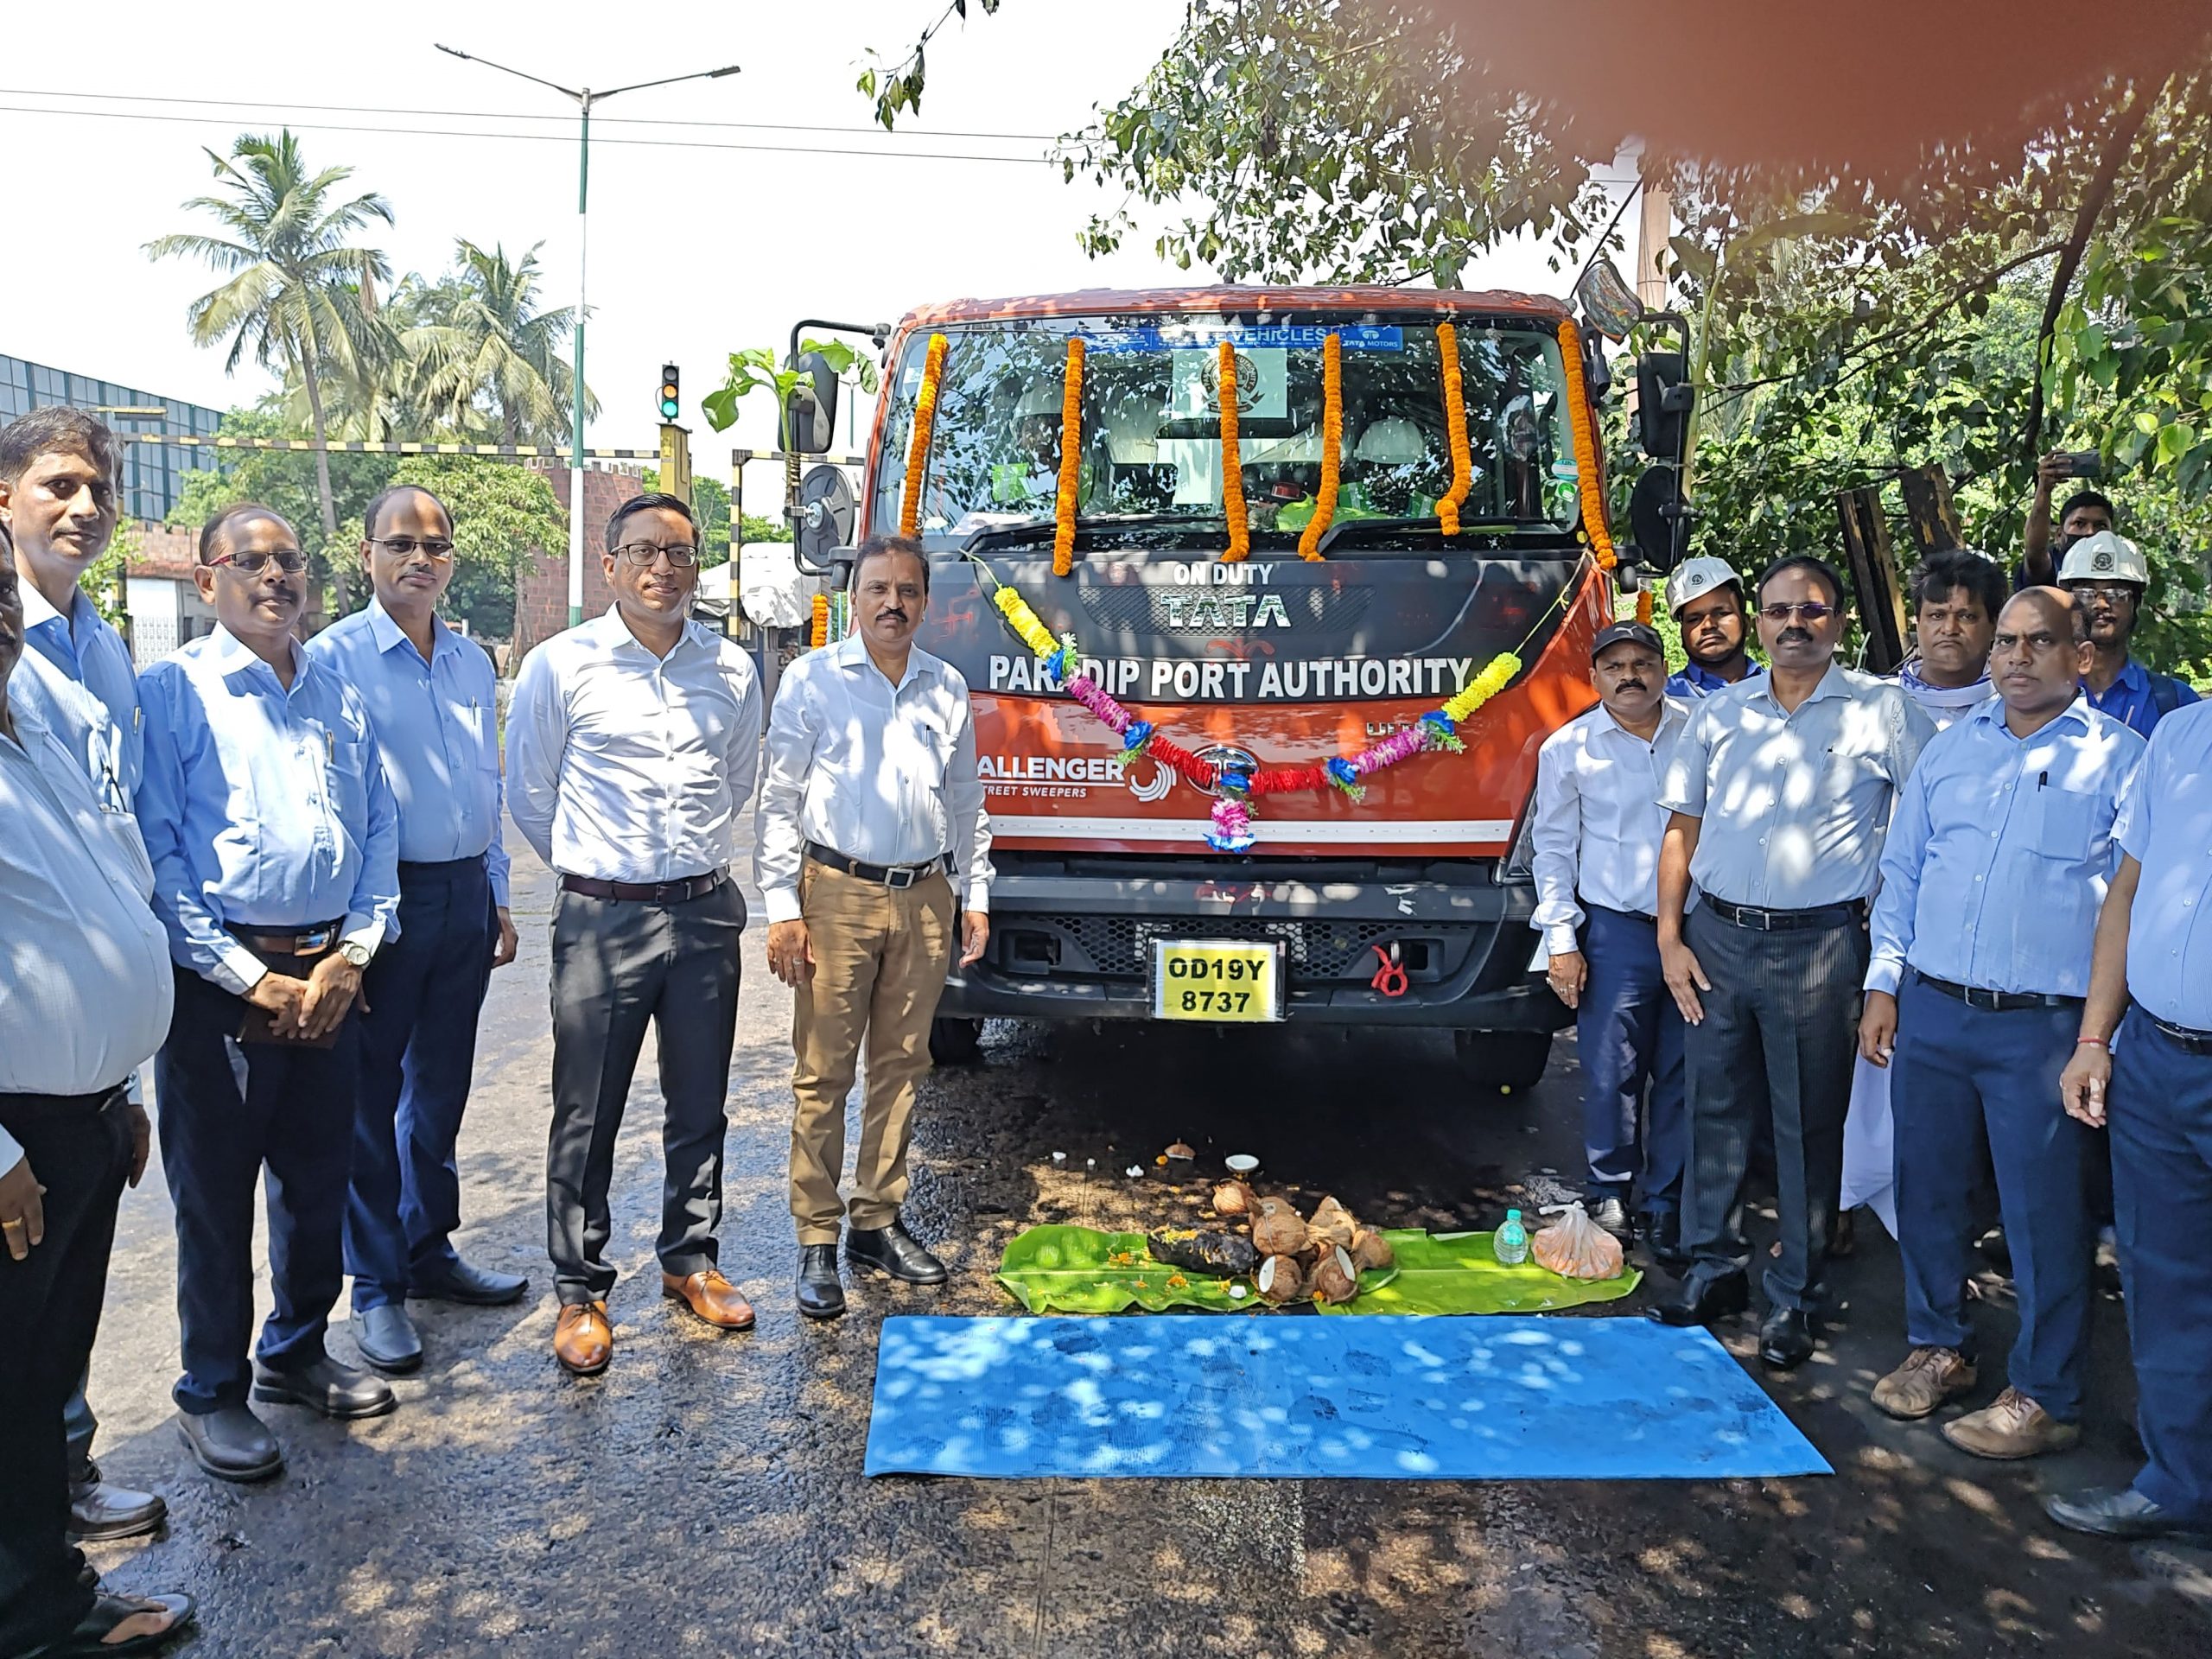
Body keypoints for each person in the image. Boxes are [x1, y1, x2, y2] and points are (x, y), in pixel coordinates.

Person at [136, 504, 403, 1483]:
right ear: (207, 582)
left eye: (289, 560)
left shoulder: (334, 688)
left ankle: (295, 1351)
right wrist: (250, 978)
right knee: (214, 1199)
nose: (275, 576)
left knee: (315, 1180)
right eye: (250, 561)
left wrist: (355, 954)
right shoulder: (172, 692)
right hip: (224, 988)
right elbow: (159, 856)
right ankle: (212, 1388)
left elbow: (378, 833)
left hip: (332, 976)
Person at [1859, 588, 2141, 1458]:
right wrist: (1883, 985)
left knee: (2043, 1215)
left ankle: (2046, 1395)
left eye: (2039, 642)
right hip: (1937, 1011)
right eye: (2007, 642)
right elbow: (1901, 874)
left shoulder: (2123, 759)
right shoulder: (1950, 754)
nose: (2017, 657)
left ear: (2079, 657)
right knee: (1928, 1191)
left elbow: (2127, 908)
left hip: (2043, 1029)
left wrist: (2097, 1038)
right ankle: (1937, 1347)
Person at [1649, 554, 1935, 1369]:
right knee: (1714, 1109)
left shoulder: (1886, 713)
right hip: (1717, 940)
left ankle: (1796, 1299)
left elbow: (1920, 839)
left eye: (1812, 610)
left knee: (1806, 1125)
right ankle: (1714, 1269)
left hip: (1823, 946)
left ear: (1838, 622)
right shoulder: (1717, 716)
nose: (1794, 624)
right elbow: (1681, 832)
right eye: (1778, 612)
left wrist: (1890, 958)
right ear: (1760, 622)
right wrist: (1671, 938)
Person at [507, 492, 762, 1375]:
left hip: (702, 913)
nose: (664, 568)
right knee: (589, 1109)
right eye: (644, 551)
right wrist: (603, 873)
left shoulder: (729, 669)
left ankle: (690, 1258)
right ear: (610, 563)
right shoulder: (560, 665)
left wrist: (674, 869)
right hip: (601, 918)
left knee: (699, 1102)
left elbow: (737, 779)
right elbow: (530, 795)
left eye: (682, 553)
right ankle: (580, 1287)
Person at [0, 524, 195, 1657]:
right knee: (9, 1388)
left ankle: (53, 1597)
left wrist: (119, 1085)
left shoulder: (36, 723)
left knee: (38, 1383)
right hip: (13, 1142)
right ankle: (33, 1619)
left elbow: (101, 893)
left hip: (78, 1119)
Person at [305, 486, 525, 1379]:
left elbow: (488, 782)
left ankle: (428, 1249)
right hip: (380, 907)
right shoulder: (333, 661)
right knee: (368, 1102)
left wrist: (499, 892)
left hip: (463, 897)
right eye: (400, 544)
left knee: (439, 1089)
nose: (419, 559)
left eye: (435, 545)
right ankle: (376, 1287)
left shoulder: (472, 662)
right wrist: (345, 933)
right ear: (366, 556)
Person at [758, 535, 994, 1319]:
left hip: (925, 895)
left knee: (902, 1064)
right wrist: (783, 910)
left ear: (927, 603)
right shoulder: (812, 680)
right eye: (878, 589)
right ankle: (817, 1238)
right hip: (836, 894)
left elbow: (967, 803)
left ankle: (876, 1221)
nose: (893, 604)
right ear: (854, 597)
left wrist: (974, 894)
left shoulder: (947, 687)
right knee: (824, 1072)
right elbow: (778, 799)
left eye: (908, 591)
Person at [2046, 695, 2212, 1541]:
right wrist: (2094, 1037)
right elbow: (2127, 894)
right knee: (2166, 1281)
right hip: (2155, 1056)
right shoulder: (2182, 735)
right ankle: (2180, 1483)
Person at [1839, 548, 2005, 1240]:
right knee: (1860, 1078)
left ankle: (1949, 1232)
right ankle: (1845, 1205)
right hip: (1874, 921)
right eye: (1937, 613)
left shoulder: (2012, 715)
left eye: (1968, 616)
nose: (1950, 629)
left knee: (1950, 1102)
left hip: (1969, 938)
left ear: (1993, 626)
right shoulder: (1876, 704)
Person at [1529, 620, 1691, 1255]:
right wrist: (1561, 939)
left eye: (1643, 662)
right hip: (1617, 931)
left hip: (1697, 930)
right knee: (1609, 1070)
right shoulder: (1567, 750)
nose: (1631, 676)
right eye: (1615, 665)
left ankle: (1668, 1201)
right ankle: (1611, 1189)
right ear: (1593, 676)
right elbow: (1553, 848)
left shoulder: (1702, 731)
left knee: (1685, 1070)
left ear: (1663, 669)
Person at [2055, 530, 2196, 739]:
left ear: (2136, 605)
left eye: (2117, 594)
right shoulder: (2040, 692)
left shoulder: (2173, 701)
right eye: (2086, 593)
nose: (2101, 604)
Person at [1661, 556, 1762, 699]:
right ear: (1682, 633)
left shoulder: (1779, 688)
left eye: (1722, 613)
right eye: (1694, 619)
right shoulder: (1665, 700)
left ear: (1746, 624)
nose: (1708, 625)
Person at [2018, 454, 2113, 588]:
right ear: (2059, 535)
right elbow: (2035, 553)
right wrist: (2044, 489)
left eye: (2100, 525)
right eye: (2079, 523)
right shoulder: (2055, 565)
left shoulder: (2122, 565)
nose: (2090, 532)